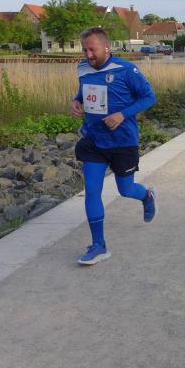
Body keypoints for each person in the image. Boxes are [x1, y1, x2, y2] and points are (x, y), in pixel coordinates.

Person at [70, 27, 157, 265]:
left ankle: (147, 196)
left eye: (92, 50)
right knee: (92, 191)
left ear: (107, 47)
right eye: (85, 50)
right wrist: (76, 100)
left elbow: (149, 97)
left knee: (125, 189)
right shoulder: (83, 68)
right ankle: (99, 245)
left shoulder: (126, 69)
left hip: (123, 141)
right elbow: (84, 90)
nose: (88, 55)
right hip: (94, 139)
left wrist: (122, 114)